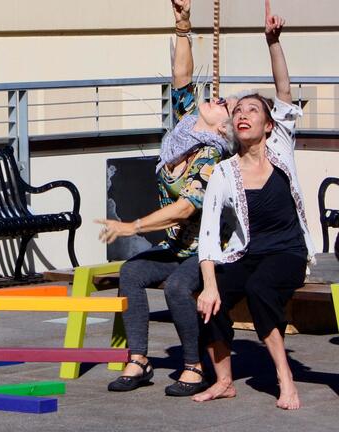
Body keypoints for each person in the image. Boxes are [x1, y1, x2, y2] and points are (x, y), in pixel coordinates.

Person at [96, 0, 233, 396]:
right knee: (132, 273)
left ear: (221, 128)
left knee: (176, 287)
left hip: (206, 253)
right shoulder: (185, 133)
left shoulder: (213, 155)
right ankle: (138, 359)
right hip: (177, 247)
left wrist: (132, 225)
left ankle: (193, 365)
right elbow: (182, 75)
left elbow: (186, 207)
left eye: (221, 104)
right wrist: (183, 25)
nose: (215, 99)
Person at [194, 0, 315, 410]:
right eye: (239, 110)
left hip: (287, 252)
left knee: (262, 288)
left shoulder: (281, 147)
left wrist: (273, 43)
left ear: (268, 125)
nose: (244, 114)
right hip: (246, 252)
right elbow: (209, 236)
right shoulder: (224, 173)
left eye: (253, 110)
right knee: (208, 298)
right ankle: (224, 380)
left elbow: (282, 91)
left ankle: (285, 377)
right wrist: (210, 285)